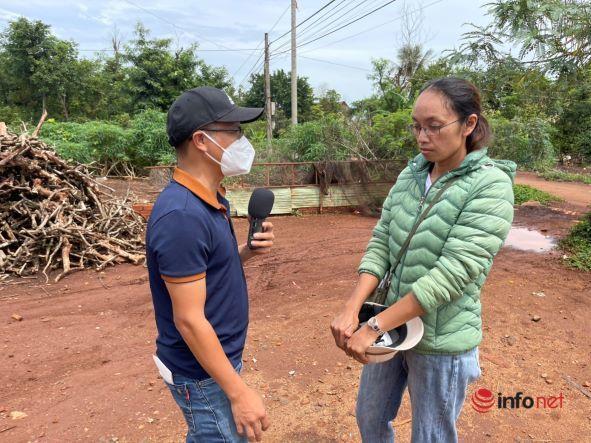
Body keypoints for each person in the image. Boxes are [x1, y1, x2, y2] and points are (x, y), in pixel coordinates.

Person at [331, 77, 516, 442]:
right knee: (369, 416)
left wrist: (373, 327)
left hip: (440, 340)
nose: (422, 137)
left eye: (434, 126)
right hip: (392, 327)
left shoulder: (490, 186)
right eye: (416, 126)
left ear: (469, 125)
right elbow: (383, 240)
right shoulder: (412, 173)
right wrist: (353, 308)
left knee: (431, 434)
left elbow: (451, 274)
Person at [146, 86, 274, 442]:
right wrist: (238, 392)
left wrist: (245, 252)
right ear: (202, 141)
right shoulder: (181, 216)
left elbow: (209, 269)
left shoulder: (210, 199)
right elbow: (188, 318)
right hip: (201, 375)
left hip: (214, 363)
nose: (241, 140)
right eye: (233, 131)